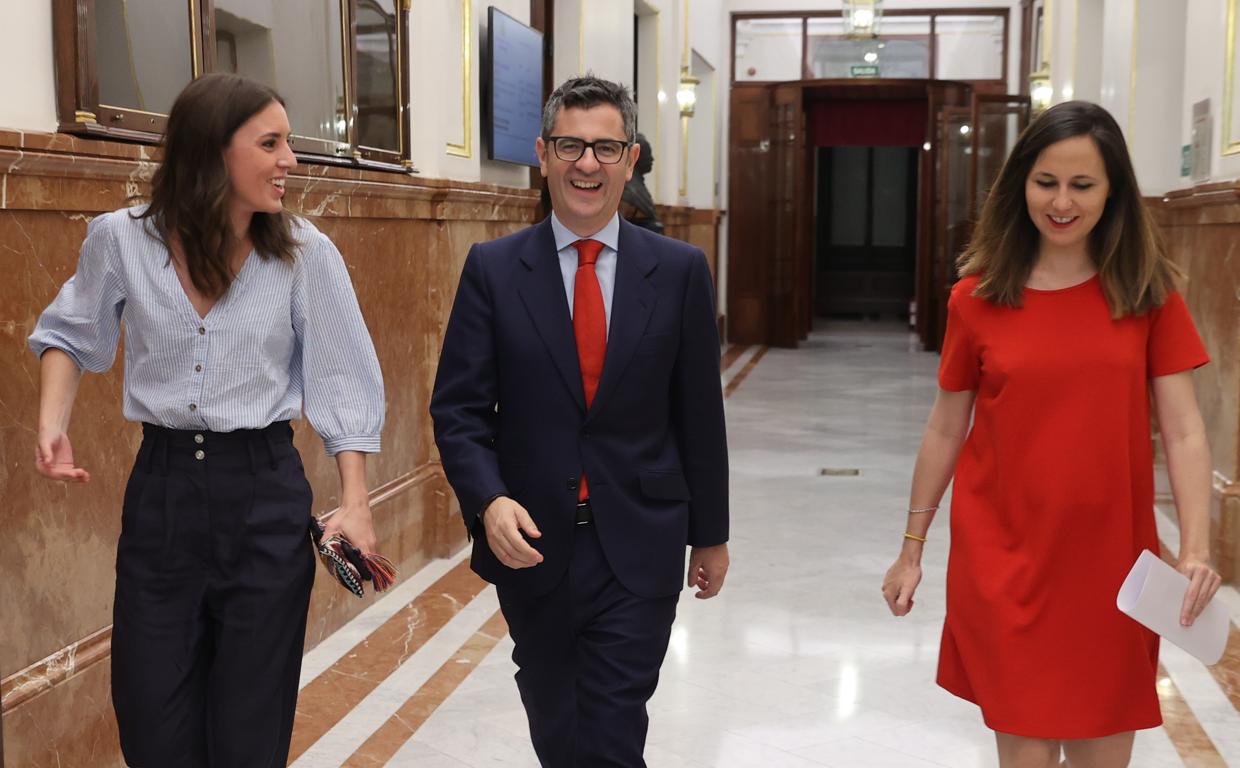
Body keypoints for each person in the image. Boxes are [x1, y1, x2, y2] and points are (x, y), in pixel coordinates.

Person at [30, 73, 384, 767]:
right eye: (271, 143)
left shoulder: (306, 253)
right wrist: (52, 422)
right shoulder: (120, 240)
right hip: (161, 493)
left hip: (264, 492)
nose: (291, 160)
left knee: (249, 728)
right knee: (151, 718)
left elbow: (343, 379)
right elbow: (71, 333)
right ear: (211, 152)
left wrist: (357, 503)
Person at [881, 100, 1222, 768]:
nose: (1061, 202)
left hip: (1112, 567)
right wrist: (911, 548)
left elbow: (1183, 431)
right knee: (1027, 752)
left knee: (1101, 752)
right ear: (1020, 186)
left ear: (1113, 192)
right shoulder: (976, 298)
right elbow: (946, 427)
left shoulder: (1146, 293)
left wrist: (1198, 549)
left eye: (1082, 185)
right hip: (1005, 561)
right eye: (1047, 182)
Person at [430, 75, 729, 767]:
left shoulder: (680, 271)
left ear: (631, 157)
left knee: (612, 730)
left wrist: (709, 536)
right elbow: (460, 410)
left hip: (641, 541)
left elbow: (698, 416)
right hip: (534, 546)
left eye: (605, 147)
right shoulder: (495, 270)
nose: (586, 163)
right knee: (558, 729)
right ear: (543, 152)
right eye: (570, 145)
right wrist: (488, 499)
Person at [620, 133, 664, 234]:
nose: (652, 159)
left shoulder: (638, 185)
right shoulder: (628, 189)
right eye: (648, 154)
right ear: (635, 156)